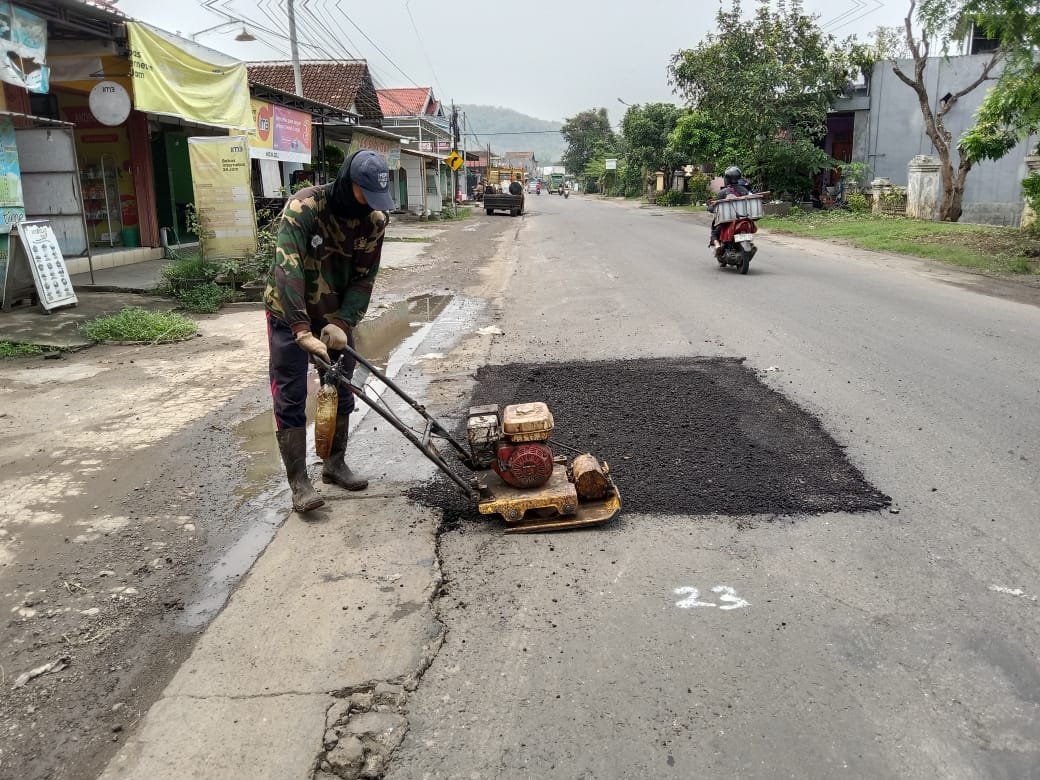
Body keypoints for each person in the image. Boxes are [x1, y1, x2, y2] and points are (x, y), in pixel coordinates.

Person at [264, 149, 395, 513]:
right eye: (364, 193)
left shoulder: (374, 221)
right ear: (348, 181)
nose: (370, 203)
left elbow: (364, 278)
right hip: (288, 313)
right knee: (291, 394)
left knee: (341, 386)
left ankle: (334, 464)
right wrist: (301, 328)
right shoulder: (305, 207)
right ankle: (299, 483)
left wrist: (342, 322)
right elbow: (287, 267)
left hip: (333, 315)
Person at [709, 165, 751, 252]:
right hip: (743, 217)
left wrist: (710, 208)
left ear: (727, 178)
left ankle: (717, 245)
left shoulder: (723, 192)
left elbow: (714, 206)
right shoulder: (745, 191)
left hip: (727, 220)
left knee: (715, 232)